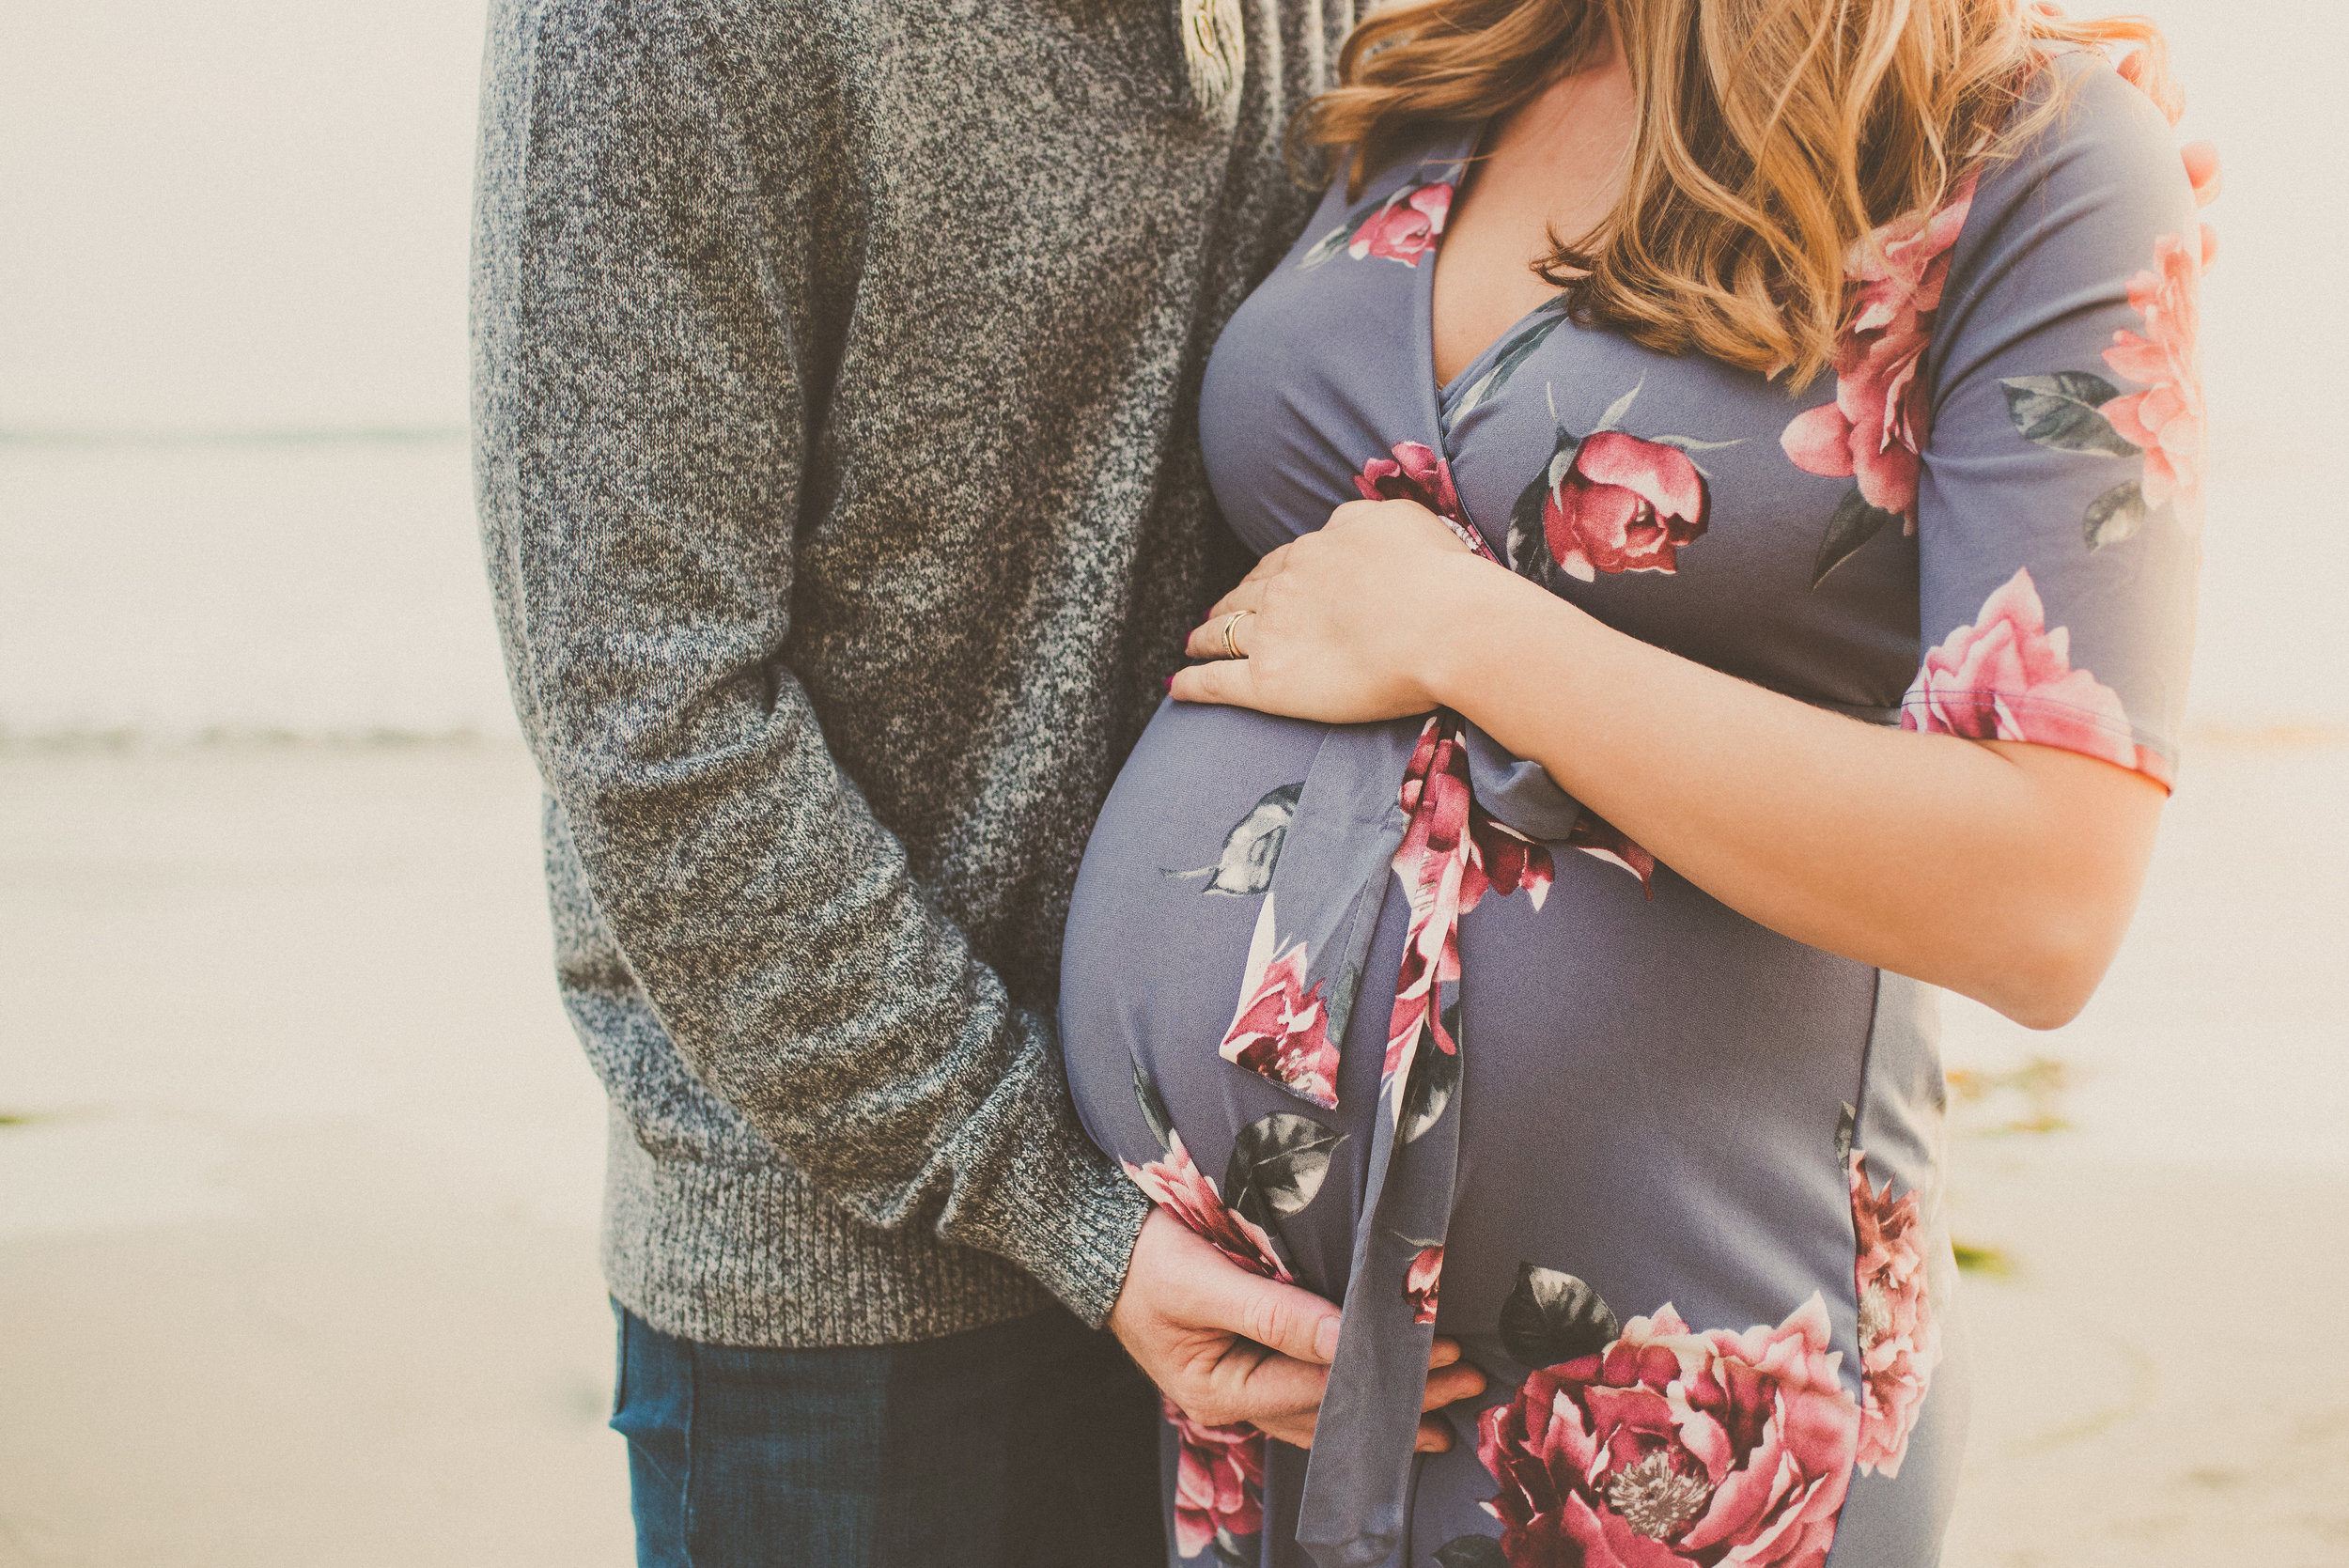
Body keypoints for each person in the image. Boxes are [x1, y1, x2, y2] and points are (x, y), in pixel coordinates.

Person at [1057, 1, 2216, 1564]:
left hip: (1686, 1412)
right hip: (1266, 1392)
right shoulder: (1448, 65)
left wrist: (1466, 631)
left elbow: (2048, 896)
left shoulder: (2027, 154)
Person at [468, 2, 1507, 1563]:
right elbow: (655, 718)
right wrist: (1066, 1213)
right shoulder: (652, 28)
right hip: (862, 1313)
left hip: (1262, 1244)